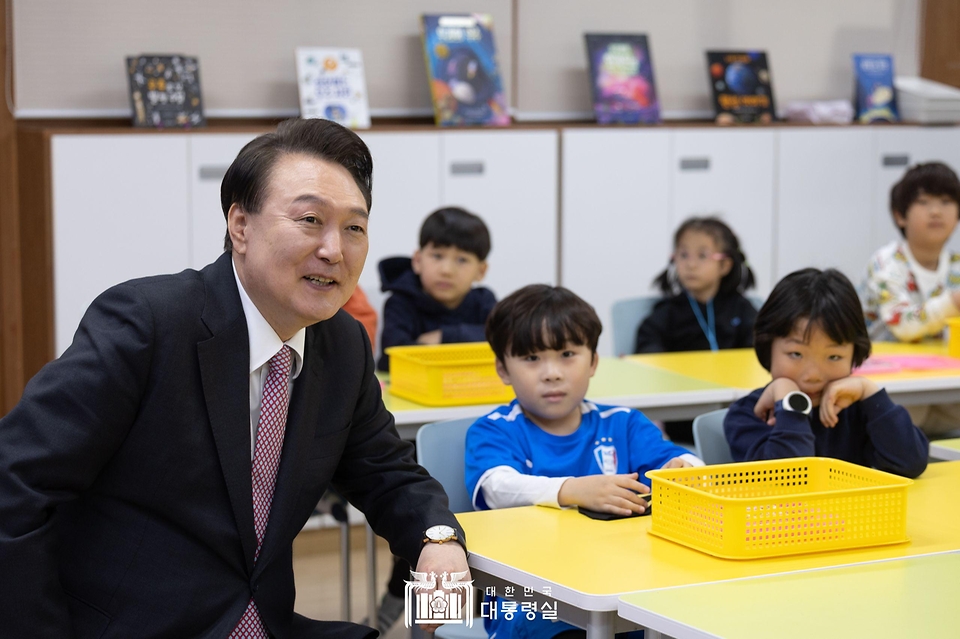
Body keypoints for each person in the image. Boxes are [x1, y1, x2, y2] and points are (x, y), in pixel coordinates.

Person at [0, 118, 469, 639]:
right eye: (310, 219)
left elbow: (389, 475)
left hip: (266, 624)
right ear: (239, 226)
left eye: (354, 227)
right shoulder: (148, 323)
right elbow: (14, 484)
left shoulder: (342, 344)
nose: (335, 250)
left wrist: (439, 542)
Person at [466, 284, 702, 639]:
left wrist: (684, 468)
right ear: (503, 369)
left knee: (675, 612)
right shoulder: (494, 430)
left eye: (567, 354)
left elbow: (683, 462)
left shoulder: (623, 423)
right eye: (531, 359)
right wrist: (572, 490)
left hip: (619, 580)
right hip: (528, 591)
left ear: (593, 362)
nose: (552, 373)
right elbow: (496, 487)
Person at [725, 268, 928, 479]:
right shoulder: (750, 414)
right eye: (796, 354)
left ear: (854, 353)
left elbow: (911, 464)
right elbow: (789, 481)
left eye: (833, 357)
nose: (813, 375)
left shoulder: (858, 411)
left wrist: (870, 392)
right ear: (768, 347)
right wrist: (791, 404)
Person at [634, 216, 757, 442]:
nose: (690, 264)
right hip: (682, 414)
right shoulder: (667, 312)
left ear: (725, 264)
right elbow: (648, 346)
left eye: (702, 255)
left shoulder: (741, 309)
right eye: (683, 255)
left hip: (736, 409)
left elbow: (758, 350)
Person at [860, 161, 960, 437]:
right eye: (924, 202)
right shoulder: (886, 264)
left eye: (946, 201)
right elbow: (903, 325)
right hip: (888, 386)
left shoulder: (956, 266)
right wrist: (953, 302)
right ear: (900, 216)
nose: (937, 211)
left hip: (943, 383)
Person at [377, 206, 496, 371]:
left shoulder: (484, 301)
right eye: (437, 256)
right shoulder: (400, 303)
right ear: (418, 261)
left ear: (480, 271)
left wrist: (445, 337)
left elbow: (506, 340)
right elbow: (392, 358)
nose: (446, 270)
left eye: (462, 260)